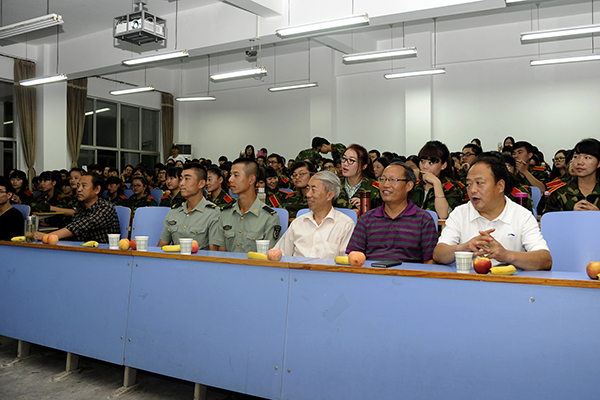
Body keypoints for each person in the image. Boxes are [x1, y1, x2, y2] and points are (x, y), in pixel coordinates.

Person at [433, 153, 552, 270]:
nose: (472, 190)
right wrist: (464, 247)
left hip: (509, 281)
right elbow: (438, 254)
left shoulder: (522, 215)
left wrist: (507, 255)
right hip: (469, 280)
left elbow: (545, 260)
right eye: (469, 184)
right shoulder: (460, 213)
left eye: (479, 183)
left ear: (500, 186)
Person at [346, 162, 438, 263]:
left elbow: (430, 261)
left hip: (408, 272)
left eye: (393, 180)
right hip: (372, 271)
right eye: (383, 179)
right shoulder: (367, 219)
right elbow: (354, 256)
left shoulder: (423, 219)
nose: (386, 185)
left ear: (408, 186)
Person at [274, 171, 355, 258]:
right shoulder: (298, 223)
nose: (308, 195)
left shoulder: (345, 225)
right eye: (308, 189)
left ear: (330, 195)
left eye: (313, 190)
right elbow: (280, 254)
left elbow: (346, 262)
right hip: (299, 267)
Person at [33, 173, 120, 244]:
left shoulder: (106, 208)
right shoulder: (81, 210)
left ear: (97, 189)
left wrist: (47, 236)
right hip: (82, 251)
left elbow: (79, 227)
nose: (79, 189)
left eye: (84, 186)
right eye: (78, 186)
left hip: (103, 254)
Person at [219, 158, 281, 252]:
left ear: (251, 179)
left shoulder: (269, 217)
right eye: (231, 175)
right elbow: (220, 253)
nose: (230, 179)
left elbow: (270, 255)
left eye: (236, 175)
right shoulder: (224, 214)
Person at [158, 164, 224, 250]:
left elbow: (214, 252)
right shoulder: (174, 211)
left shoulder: (213, 213)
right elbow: (162, 246)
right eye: (181, 179)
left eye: (187, 179)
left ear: (201, 183)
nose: (181, 183)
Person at [409, 141, 466, 219]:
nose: (424, 166)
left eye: (431, 163)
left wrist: (436, 183)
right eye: (422, 161)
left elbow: (443, 215)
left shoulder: (453, 187)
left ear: (443, 165)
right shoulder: (414, 186)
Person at [545, 139, 600, 212]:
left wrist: (597, 215)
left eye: (587, 157)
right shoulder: (559, 193)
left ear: (599, 163)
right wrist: (571, 215)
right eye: (576, 157)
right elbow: (549, 218)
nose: (580, 162)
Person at [335, 144, 382, 210]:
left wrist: (366, 208)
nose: (345, 163)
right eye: (344, 159)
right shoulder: (334, 184)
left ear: (364, 166)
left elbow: (383, 213)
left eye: (351, 160)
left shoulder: (375, 188)